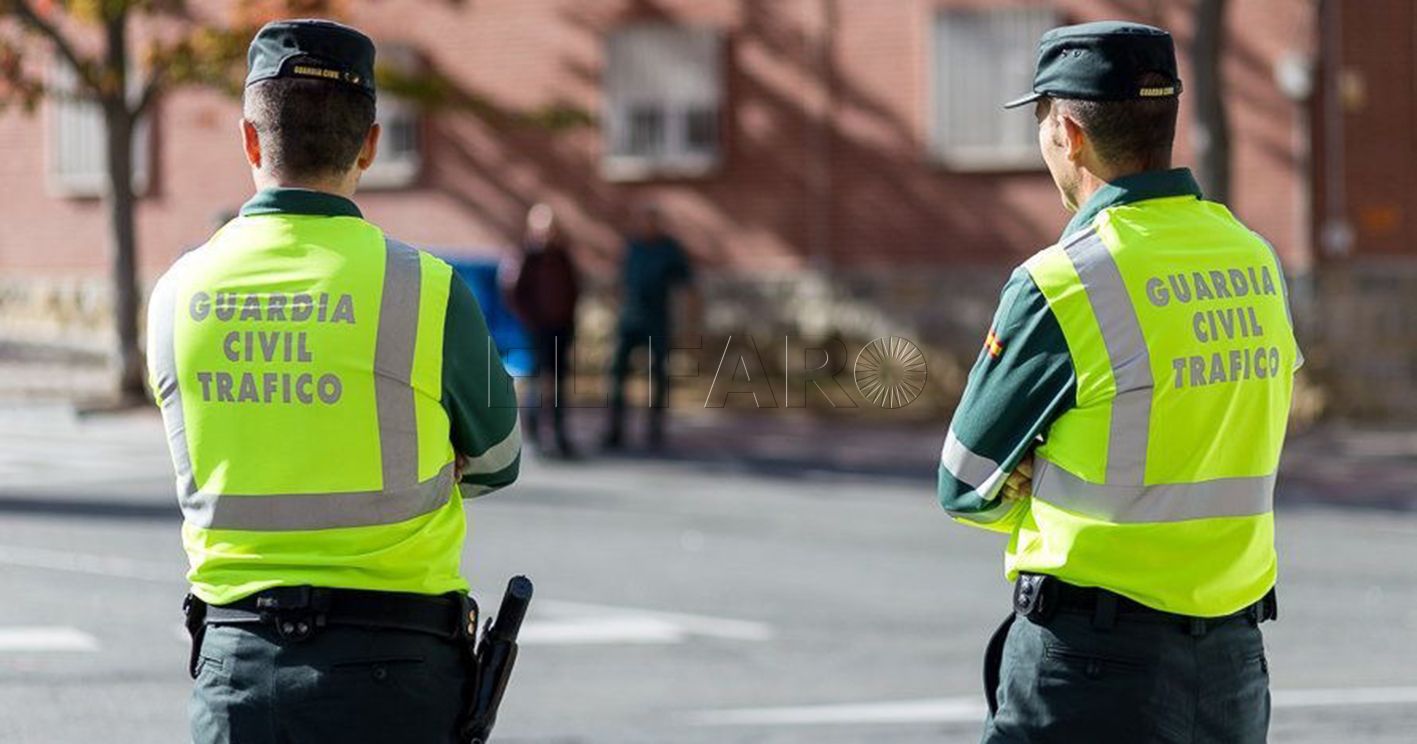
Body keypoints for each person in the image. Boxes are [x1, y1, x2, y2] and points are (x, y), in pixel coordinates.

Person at [145, 20, 521, 744]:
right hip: (396, 669)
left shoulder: (175, 292)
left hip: (235, 670)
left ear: (251, 141)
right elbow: (499, 460)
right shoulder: (426, 289)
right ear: (369, 145)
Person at [936, 21, 1300, 744]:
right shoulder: (1254, 259)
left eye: (1040, 124)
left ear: (1068, 132)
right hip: (1231, 664)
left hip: (1091, 667)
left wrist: (1031, 482)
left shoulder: (1064, 280)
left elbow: (965, 482)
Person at [603, 203, 695, 451]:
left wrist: (689, 323)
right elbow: (619, 279)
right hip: (629, 319)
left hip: (658, 320)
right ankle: (615, 428)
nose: (647, 227)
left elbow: (686, 286)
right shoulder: (632, 247)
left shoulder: (670, 249)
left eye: (651, 222)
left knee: (659, 374)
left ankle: (655, 427)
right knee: (617, 373)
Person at [502, 203, 581, 458]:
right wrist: (530, 320)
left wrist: (569, 318)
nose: (547, 235)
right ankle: (534, 433)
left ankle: (559, 433)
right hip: (536, 328)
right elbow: (513, 292)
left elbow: (573, 289)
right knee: (537, 381)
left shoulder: (562, 256)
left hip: (561, 327)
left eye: (551, 229)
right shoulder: (525, 256)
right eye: (542, 229)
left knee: (558, 382)